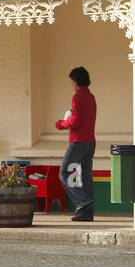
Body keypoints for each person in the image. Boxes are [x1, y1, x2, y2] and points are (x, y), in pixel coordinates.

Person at [55, 66, 96, 221]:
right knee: (86, 176)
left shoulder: (78, 97)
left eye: (71, 81)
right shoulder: (91, 97)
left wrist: (61, 124)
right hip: (90, 141)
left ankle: (83, 202)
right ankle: (87, 213)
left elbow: (75, 120)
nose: (71, 84)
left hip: (78, 141)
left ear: (75, 81)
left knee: (64, 173)